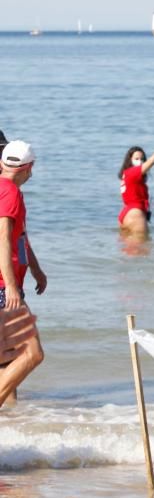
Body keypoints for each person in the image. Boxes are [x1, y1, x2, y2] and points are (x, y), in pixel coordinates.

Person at [0, 141, 47, 406]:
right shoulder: (11, 194)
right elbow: (3, 239)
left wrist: (36, 268)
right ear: (29, 168)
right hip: (3, 287)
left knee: (6, 358)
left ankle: (12, 421)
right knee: (32, 354)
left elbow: (20, 237)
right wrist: (10, 287)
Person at [118, 137, 154, 237]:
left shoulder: (126, 175)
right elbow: (151, 162)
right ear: (129, 161)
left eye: (142, 159)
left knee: (128, 251)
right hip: (135, 214)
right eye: (136, 159)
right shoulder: (133, 172)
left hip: (125, 215)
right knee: (143, 250)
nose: (140, 161)